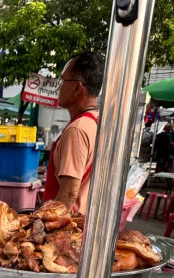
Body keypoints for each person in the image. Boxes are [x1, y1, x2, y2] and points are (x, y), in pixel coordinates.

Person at [42, 51, 104, 214]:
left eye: (63, 81)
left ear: (77, 87)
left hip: (68, 225)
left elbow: (68, 195)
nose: (59, 87)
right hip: (85, 221)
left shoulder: (78, 129)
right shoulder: (97, 122)